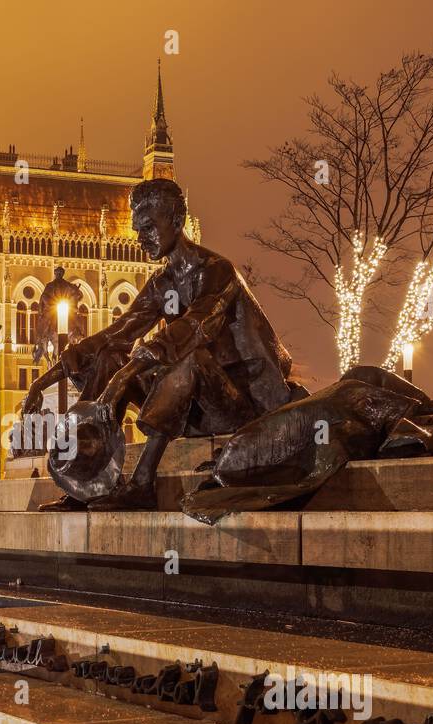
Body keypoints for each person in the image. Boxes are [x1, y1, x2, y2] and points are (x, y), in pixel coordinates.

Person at [52, 177, 304, 510]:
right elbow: (123, 328)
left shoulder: (216, 271)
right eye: (138, 231)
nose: (141, 239)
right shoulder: (163, 282)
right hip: (194, 409)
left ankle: (142, 484)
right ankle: (86, 481)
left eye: (149, 228)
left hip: (240, 406)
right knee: (110, 356)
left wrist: (132, 371)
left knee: (191, 358)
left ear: (176, 220)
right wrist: (74, 356)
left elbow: (197, 325)